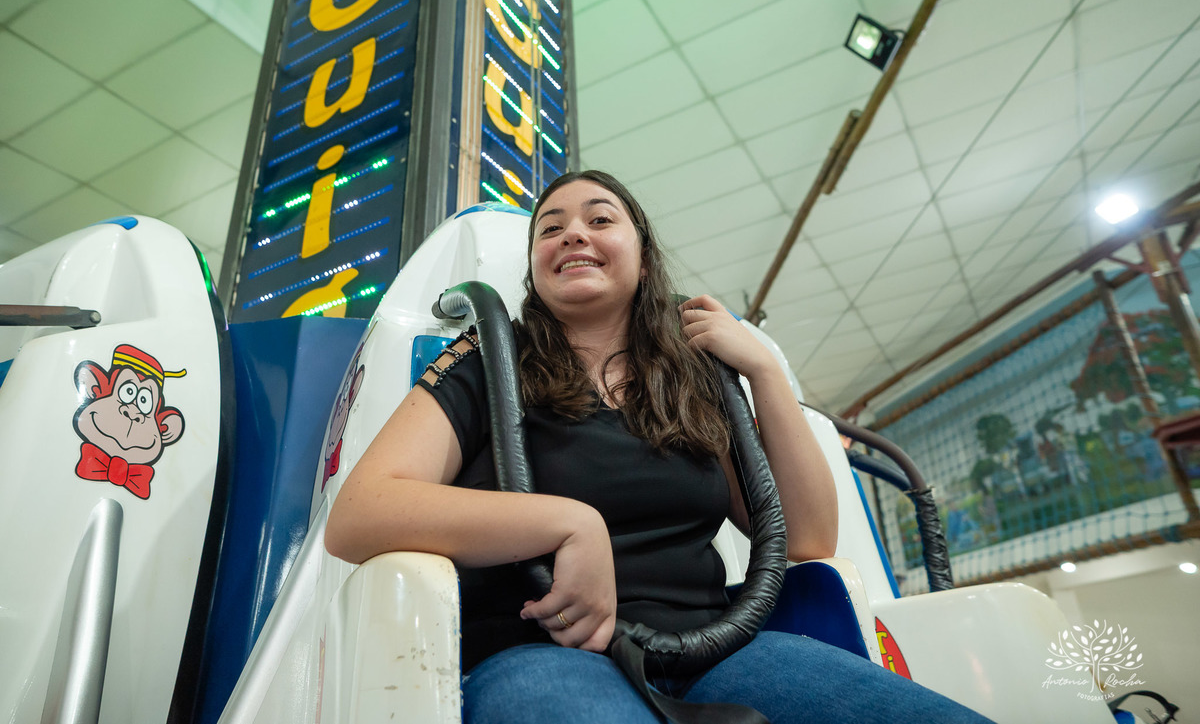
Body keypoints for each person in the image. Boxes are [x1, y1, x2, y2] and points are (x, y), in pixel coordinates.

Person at [325, 170, 993, 723]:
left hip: (718, 651)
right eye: (550, 227)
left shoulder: (694, 385)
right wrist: (569, 522)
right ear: (535, 267)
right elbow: (360, 513)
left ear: (643, 257)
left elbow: (807, 539)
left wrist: (763, 372)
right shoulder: (489, 362)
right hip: (545, 652)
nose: (573, 233)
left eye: (599, 219)